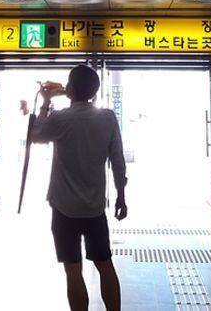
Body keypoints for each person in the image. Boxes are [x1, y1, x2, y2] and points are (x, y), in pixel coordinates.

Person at [31, 65, 127, 311]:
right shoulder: (107, 118)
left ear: (70, 88)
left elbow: (36, 136)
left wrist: (45, 103)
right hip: (94, 208)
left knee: (72, 270)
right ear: (94, 92)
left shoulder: (60, 117)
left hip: (63, 208)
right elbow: (117, 159)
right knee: (105, 264)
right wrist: (121, 196)